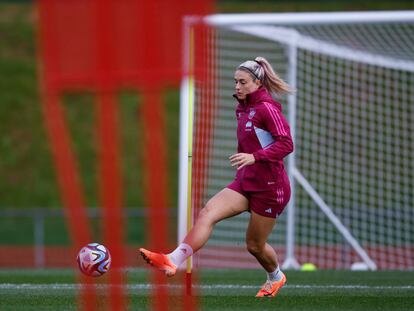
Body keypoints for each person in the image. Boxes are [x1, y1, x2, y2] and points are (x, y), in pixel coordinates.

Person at [140, 56, 294, 298]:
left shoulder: (267, 108)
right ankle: (173, 260)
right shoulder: (242, 108)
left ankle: (276, 276)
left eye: (243, 82)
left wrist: (255, 157)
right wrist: (249, 162)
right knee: (208, 212)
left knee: (254, 245)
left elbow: (287, 143)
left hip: (270, 187)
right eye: (235, 82)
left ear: (257, 82)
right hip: (247, 181)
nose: (237, 87)